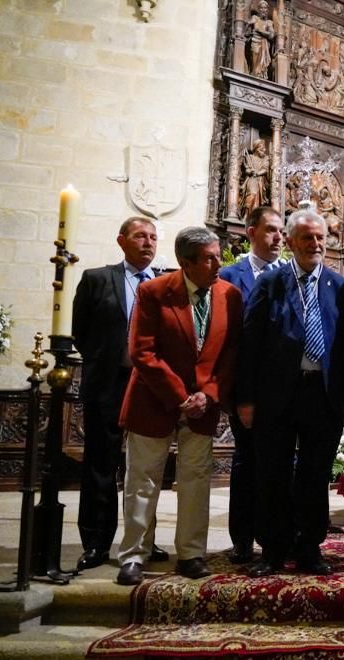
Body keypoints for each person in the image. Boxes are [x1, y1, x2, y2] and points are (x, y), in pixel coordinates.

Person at [116, 227, 244, 585]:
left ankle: (191, 553)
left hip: (202, 406)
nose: (219, 263)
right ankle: (134, 555)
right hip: (153, 401)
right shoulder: (155, 292)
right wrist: (179, 397)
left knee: (196, 479)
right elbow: (142, 351)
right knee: (142, 480)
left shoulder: (229, 295)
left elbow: (231, 352)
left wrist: (208, 393)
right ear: (185, 263)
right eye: (210, 258)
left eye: (219, 255)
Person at [238, 210, 344, 577]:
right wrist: (245, 398)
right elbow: (250, 343)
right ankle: (272, 550)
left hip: (321, 395)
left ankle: (309, 548)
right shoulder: (271, 283)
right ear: (290, 242)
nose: (316, 245)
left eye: (320, 238)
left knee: (314, 473)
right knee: (272, 472)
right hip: (277, 394)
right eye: (307, 238)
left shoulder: (340, 287)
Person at [71, 217, 169, 571]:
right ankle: (96, 543)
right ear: (121, 241)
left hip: (149, 386)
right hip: (108, 383)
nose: (148, 242)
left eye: (153, 237)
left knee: (145, 468)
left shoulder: (164, 283)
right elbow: (80, 333)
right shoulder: (97, 279)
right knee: (100, 464)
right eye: (140, 236)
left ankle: (143, 540)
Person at [219, 206, 285, 564]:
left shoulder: (291, 274)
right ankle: (242, 538)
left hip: (285, 389)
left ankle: (273, 533)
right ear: (250, 233)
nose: (278, 238)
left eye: (281, 231)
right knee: (247, 463)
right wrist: (239, 393)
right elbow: (229, 338)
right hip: (249, 386)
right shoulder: (231, 276)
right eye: (271, 230)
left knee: (278, 465)